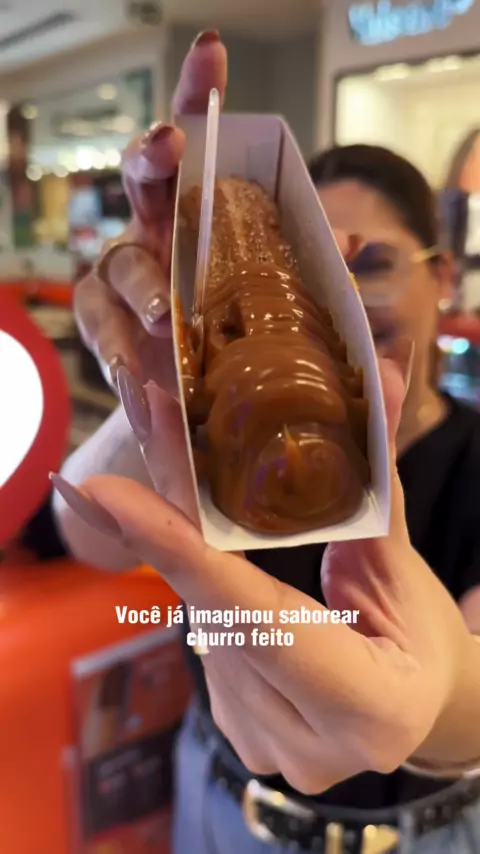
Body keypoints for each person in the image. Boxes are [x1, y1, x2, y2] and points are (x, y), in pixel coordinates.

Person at [50, 32, 480, 854]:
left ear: (444, 277)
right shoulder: (228, 425)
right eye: (324, 269)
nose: (345, 300)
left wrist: (439, 691)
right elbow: (88, 538)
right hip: (216, 806)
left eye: (372, 263)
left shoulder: (469, 459)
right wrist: (159, 373)